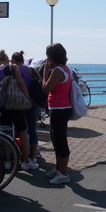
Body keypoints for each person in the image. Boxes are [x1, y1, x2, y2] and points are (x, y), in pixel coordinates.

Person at [0, 51, 33, 170]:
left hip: (2, 105)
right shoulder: (13, 68)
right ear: (7, 59)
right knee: (23, 133)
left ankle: (7, 162)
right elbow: (21, 83)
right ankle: (25, 161)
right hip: (16, 105)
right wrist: (27, 97)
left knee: (5, 134)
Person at [42, 43, 73, 184]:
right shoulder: (66, 69)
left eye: (48, 56)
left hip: (59, 109)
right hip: (61, 108)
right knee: (56, 139)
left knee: (60, 141)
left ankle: (64, 173)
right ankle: (58, 168)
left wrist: (45, 72)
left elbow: (46, 88)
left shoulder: (57, 71)